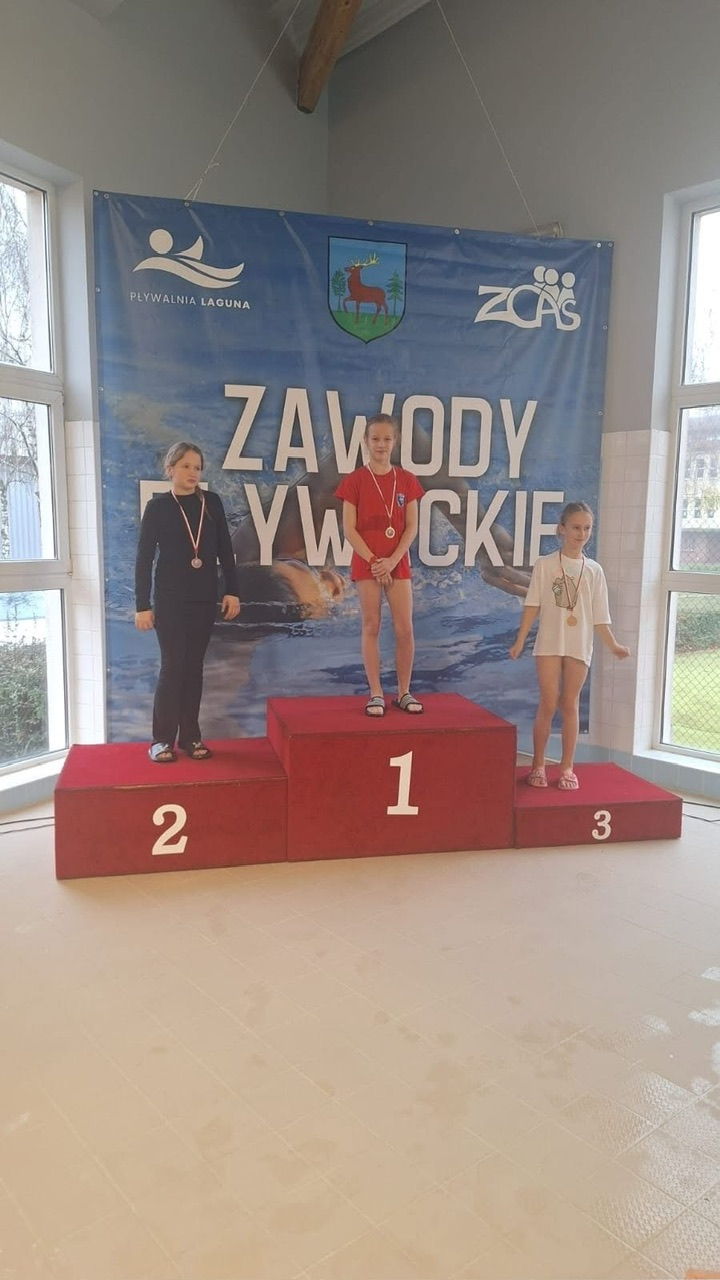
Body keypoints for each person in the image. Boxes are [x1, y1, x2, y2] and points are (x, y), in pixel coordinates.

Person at [508, 500, 630, 790]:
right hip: (549, 643)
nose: (582, 534)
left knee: (570, 704)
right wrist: (520, 639)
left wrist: (614, 646)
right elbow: (533, 604)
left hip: (579, 645)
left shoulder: (594, 571)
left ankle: (566, 767)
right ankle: (538, 764)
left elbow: (600, 617)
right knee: (549, 702)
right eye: (576, 527)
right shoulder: (546, 565)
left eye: (587, 528)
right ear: (561, 529)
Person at [135, 441, 241, 762]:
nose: (193, 473)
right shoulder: (158, 508)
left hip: (204, 599)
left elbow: (226, 550)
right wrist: (142, 605)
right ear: (170, 469)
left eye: (197, 467)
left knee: (194, 668)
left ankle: (191, 737)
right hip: (170, 601)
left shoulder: (212, 503)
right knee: (173, 666)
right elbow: (143, 559)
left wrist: (232, 590)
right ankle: (161, 740)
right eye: (185, 466)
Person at [335, 413, 425, 716]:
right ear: (366, 441)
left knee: (405, 629)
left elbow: (411, 527)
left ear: (395, 442)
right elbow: (349, 529)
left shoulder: (407, 480)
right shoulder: (354, 481)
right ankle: (375, 693)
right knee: (371, 625)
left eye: (387, 439)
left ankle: (404, 692)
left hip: (397, 562)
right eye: (375, 439)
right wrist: (375, 561)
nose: (381, 444)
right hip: (368, 563)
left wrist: (392, 560)